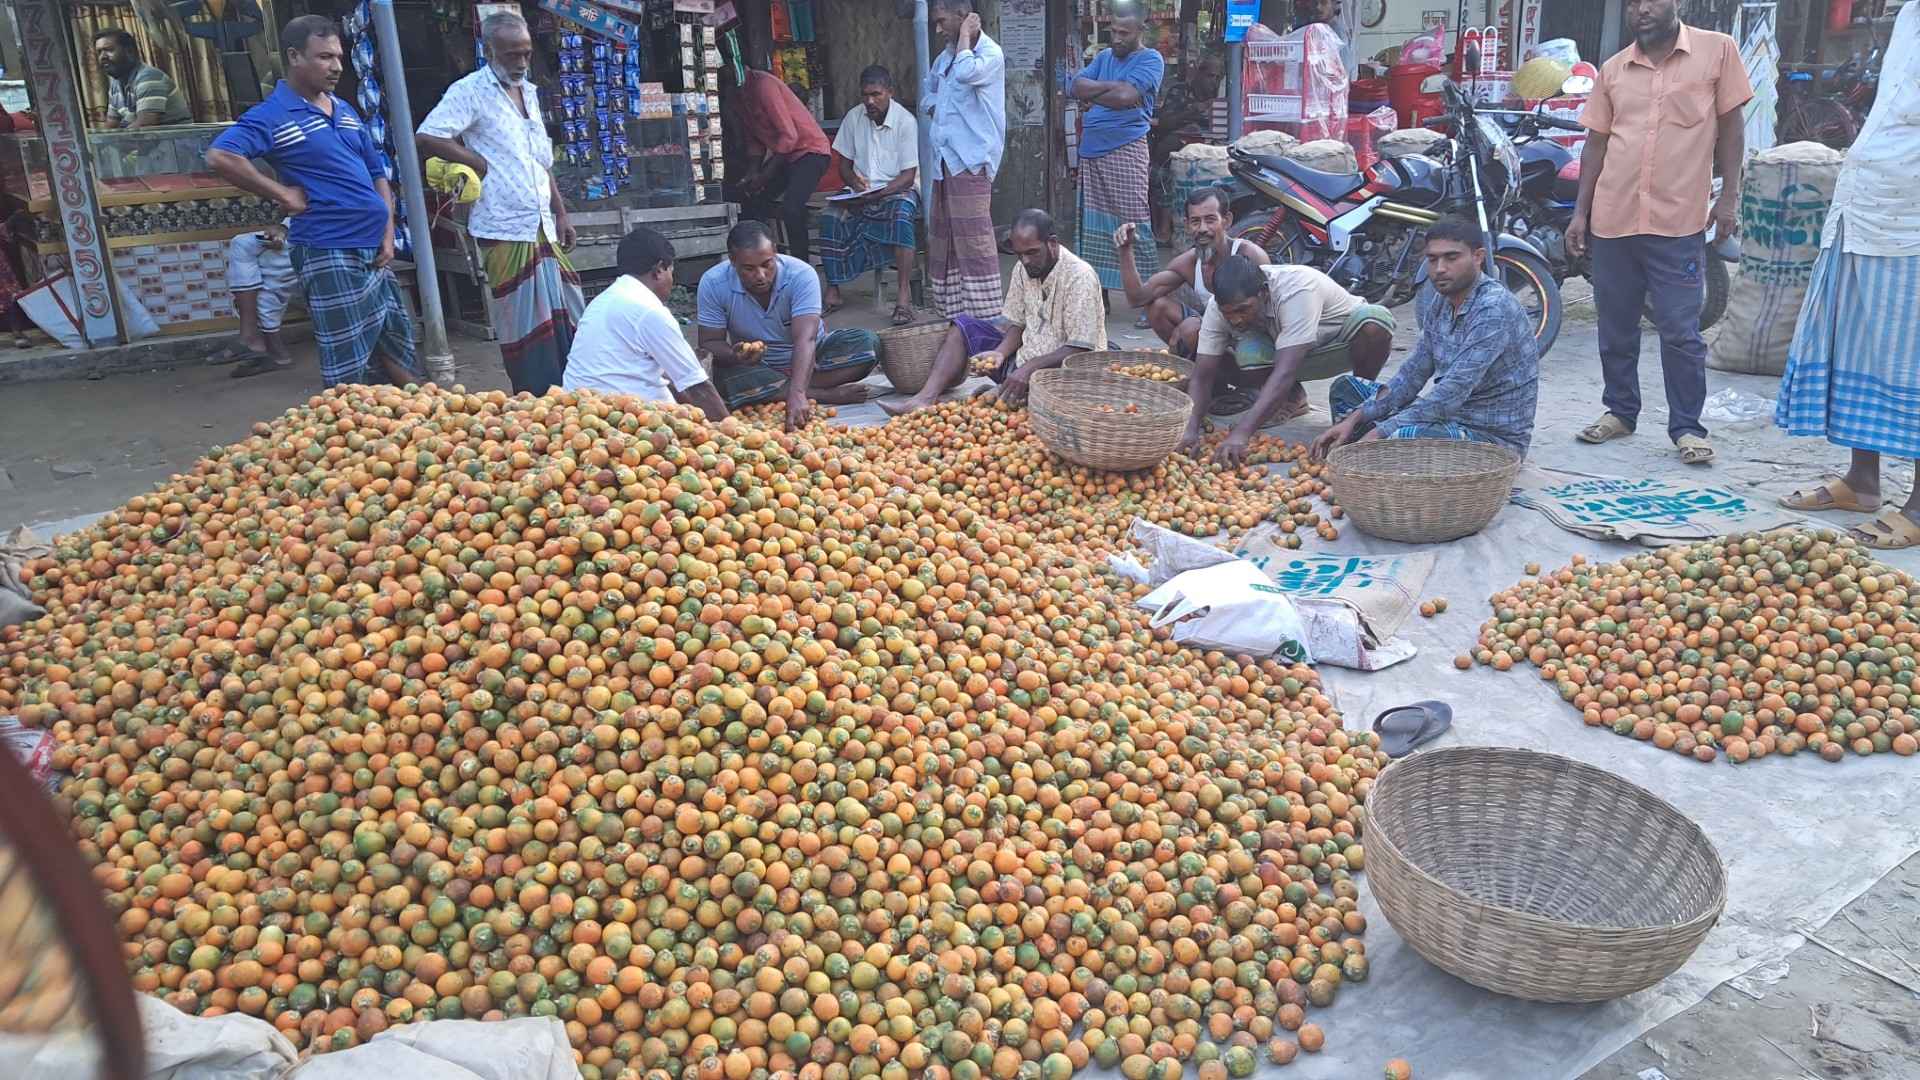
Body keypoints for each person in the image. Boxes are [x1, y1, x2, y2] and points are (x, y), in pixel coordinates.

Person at [1568, 0, 1752, 466]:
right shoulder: (1613, 69)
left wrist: (1729, 196)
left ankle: (1687, 428)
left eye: (1651, 0)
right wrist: (1580, 213)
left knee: (1680, 331)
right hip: (1614, 218)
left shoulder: (1717, 51)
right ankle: (1620, 411)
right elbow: (1596, 145)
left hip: (1678, 222)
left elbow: (1731, 129)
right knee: (1615, 325)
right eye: (1632, 3)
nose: (1641, 9)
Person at [1774, 0, 1920, 549]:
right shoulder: (1909, 16)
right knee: (1858, 345)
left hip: (1913, 219)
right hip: (1868, 208)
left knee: (1910, 358)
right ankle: (1862, 481)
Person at [206, 15, 420, 389]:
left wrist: (387, 232)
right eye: (324, 57)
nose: (336, 66)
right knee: (348, 361)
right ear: (294, 56)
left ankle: (416, 416)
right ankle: (349, 429)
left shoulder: (346, 110)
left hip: (373, 248)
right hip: (328, 248)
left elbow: (377, 174)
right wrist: (282, 194)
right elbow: (221, 156)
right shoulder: (272, 115)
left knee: (394, 341)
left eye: (339, 57)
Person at [416, 11, 583, 396]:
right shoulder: (469, 91)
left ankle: (572, 394)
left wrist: (560, 211)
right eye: (511, 55)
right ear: (489, 50)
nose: (521, 62)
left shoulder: (532, 93)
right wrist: (472, 160)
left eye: (525, 53)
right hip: (504, 226)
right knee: (523, 325)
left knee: (569, 310)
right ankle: (533, 399)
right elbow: (428, 135)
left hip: (542, 224)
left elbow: (541, 161)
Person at [1311, 217, 1540, 460]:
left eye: (1451, 258)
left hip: (1490, 438)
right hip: (1446, 418)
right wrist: (1356, 417)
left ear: (1478, 256)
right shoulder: (1442, 301)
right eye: (1432, 259)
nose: (1440, 268)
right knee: (1347, 390)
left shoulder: (1493, 309)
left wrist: (1381, 431)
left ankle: (1375, 449)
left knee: (1402, 436)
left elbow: (1449, 394)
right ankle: (1372, 447)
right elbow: (1412, 374)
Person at [880, 209, 1106, 416]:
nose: (1025, 261)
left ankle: (1009, 391)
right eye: (1019, 255)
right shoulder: (1023, 269)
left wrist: (1028, 369)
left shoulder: (1079, 277)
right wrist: (998, 353)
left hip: (1064, 374)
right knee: (963, 326)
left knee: (1045, 398)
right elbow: (1017, 324)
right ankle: (925, 398)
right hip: (1023, 364)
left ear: (1053, 244)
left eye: (1032, 253)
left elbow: (1079, 348)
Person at [1179, 257, 1394, 467]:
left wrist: (1240, 433)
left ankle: (1360, 400)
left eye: (1243, 309)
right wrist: (1189, 428)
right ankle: (1291, 397)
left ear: (1263, 292)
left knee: (1375, 323)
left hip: (1337, 343)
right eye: (1229, 314)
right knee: (1248, 352)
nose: (1236, 319)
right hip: (1287, 348)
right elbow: (1202, 375)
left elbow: (1284, 373)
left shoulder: (1296, 289)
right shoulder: (1218, 309)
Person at [697, 221, 880, 430]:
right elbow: (709, 342)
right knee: (723, 376)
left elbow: (806, 339)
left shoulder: (801, 275)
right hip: (757, 366)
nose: (760, 276)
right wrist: (735, 355)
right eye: (749, 269)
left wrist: (798, 393)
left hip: (811, 358)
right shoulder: (713, 283)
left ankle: (782, 389)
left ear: (775, 253)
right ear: (732, 261)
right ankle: (822, 394)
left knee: (867, 344)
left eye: (767, 264)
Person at [563, 226, 729, 420]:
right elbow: (697, 386)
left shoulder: (601, 302)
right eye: (671, 272)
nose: (671, 280)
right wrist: (733, 435)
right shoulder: (649, 310)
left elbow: (670, 378)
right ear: (659, 270)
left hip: (577, 413)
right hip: (622, 418)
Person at [1071, 5, 1164, 304]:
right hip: (1092, 151)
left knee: (1134, 221)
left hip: (1126, 148)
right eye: (1114, 31)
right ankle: (1100, 296)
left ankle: (1147, 297)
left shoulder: (1151, 59)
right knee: (1093, 225)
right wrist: (1112, 88)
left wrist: (1098, 93)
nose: (1117, 38)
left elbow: (1127, 97)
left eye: (1125, 33)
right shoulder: (1103, 58)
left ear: (1140, 32)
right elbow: (1076, 86)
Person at [924, 0, 1007, 320]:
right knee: (946, 239)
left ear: (964, 16)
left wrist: (964, 40)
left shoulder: (989, 54)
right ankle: (954, 315)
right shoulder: (943, 57)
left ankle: (986, 318)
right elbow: (927, 92)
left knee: (974, 239)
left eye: (942, 20)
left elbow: (966, 72)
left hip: (971, 160)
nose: (937, 28)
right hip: (945, 161)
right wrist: (934, 104)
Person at [1115, 186, 1269, 357]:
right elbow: (1138, 298)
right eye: (1195, 221)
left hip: (1253, 335)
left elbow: (1267, 312)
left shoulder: (1250, 254)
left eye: (1210, 220)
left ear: (1226, 220)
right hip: (1216, 333)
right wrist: (1125, 249)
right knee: (1158, 308)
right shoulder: (1188, 263)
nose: (1202, 228)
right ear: (1187, 225)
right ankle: (1200, 370)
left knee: (1191, 330)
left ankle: (1229, 374)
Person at [820, 65, 920, 325]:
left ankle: (902, 296)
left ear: (890, 92)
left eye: (876, 94)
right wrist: (854, 181)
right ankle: (834, 287)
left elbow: (908, 176)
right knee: (830, 216)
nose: (869, 101)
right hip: (862, 191)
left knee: (901, 216)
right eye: (865, 95)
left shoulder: (906, 122)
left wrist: (879, 194)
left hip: (897, 189)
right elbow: (843, 165)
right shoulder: (854, 117)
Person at [728, 68, 833, 267]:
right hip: (786, 155)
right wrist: (753, 174)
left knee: (792, 208)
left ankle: (801, 267)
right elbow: (755, 141)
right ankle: (760, 259)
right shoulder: (737, 98)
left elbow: (790, 136)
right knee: (753, 200)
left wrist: (765, 175)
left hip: (811, 151)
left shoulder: (764, 85)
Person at [1149, 53, 1223, 242]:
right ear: (1199, 73)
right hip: (1174, 151)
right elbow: (1164, 122)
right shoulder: (1179, 91)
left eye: (1217, 78)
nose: (1213, 82)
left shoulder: (1221, 97)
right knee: (1164, 172)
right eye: (1210, 76)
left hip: (1208, 151)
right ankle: (1164, 228)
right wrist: (1194, 110)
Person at [223, 222, 302, 378]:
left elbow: (299, 204)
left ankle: (252, 338)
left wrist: (284, 227)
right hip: (305, 233)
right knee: (267, 266)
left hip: (322, 238)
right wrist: (284, 227)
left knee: (241, 245)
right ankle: (272, 351)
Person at [94, 29, 192, 129]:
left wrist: (116, 141)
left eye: (109, 50)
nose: (102, 57)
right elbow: (111, 124)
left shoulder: (148, 77)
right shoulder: (115, 84)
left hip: (177, 142)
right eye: (99, 52)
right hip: (153, 142)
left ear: (129, 51)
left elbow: (144, 126)